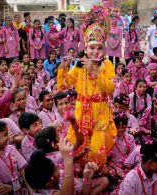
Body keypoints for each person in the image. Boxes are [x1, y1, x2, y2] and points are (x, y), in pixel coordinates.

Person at [57, 7, 116, 165]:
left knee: (97, 149)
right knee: (77, 144)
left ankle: (93, 172)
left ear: (104, 48)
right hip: (81, 110)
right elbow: (64, 85)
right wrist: (62, 68)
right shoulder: (79, 65)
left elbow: (111, 88)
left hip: (101, 113)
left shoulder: (107, 64)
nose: (95, 51)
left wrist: (94, 71)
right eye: (91, 47)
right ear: (85, 48)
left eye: (99, 47)